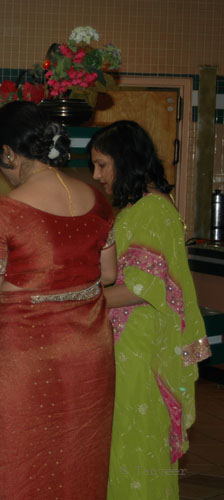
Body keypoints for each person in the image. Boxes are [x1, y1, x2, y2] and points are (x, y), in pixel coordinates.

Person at [0, 101, 117, 499]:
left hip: (28, 357)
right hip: (90, 353)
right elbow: (107, 274)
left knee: (24, 463)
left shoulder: (3, 211)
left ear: (8, 153)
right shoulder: (98, 201)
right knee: (79, 461)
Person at [88, 120, 212, 499]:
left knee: (137, 446)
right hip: (128, 346)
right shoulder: (140, 207)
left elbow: (139, 289)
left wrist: (75, 300)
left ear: (125, 160)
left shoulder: (153, 210)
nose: (96, 175)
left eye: (102, 165)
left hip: (139, 352)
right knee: (124, 447)